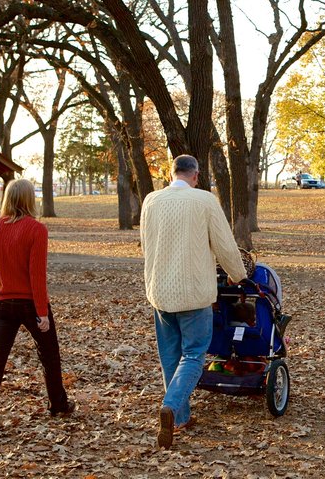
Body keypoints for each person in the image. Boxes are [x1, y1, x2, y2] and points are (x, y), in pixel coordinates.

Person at [140, 155, 246, 449]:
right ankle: (172, 408)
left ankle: (182, 417)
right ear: (196, 176)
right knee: (194, 354)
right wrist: (238, 274)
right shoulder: (204, 201)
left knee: (170, 356)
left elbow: (146, 242)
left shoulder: (151, 200)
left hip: (160, 291)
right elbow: (224, 244)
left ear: (171, 174)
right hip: (194, 293)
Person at [0, 179, 74, 435]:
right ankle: (58, 405)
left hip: (2, 302)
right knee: (49, 355)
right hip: (29, 303)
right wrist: (41, 312)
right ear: (29, 199)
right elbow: (37, 274)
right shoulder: (36, 229)